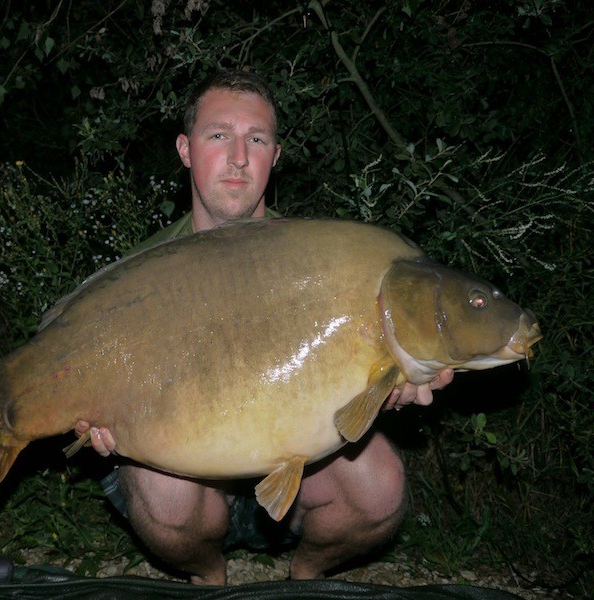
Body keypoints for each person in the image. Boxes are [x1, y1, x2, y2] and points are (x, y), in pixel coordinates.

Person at [75, 70, 453, 585]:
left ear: (275, 156)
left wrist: (397, 381)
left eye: (256, 139)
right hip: (190, 484)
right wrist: (94, 415)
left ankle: (305, 578)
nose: (237, 156)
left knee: (380, 490)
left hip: (299, 479)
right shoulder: (142, 276)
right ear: (185, 149)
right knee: (162, 496)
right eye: (218, 135)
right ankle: (209, 574)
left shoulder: (318, 260)